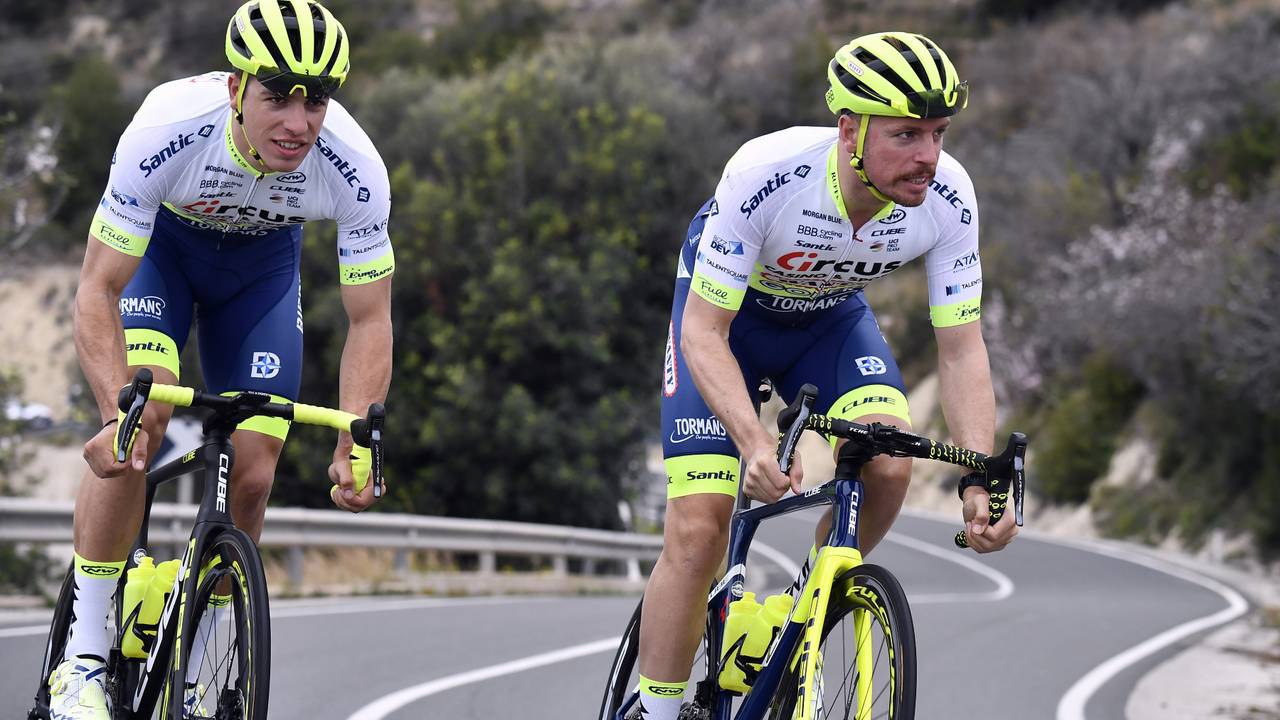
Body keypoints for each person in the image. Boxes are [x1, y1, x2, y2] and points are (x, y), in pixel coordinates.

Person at [638, 31, 1019, 718]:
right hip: (727, 325)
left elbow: (962, 350)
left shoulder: (950, 199)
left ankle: (791, 621)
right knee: (701, 528)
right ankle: (659, 710)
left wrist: (979, 474)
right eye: (906, 135)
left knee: (890, 464)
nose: (928, 156)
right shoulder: (767, 174)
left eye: (937, 133)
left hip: (828, 325)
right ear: (850, 130)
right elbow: (702, 331)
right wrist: (754, 441)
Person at [48, 1, 394, 717]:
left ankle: (204, 653)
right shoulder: (167, 127)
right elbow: (97, 288)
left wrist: (355, 438)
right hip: (161, 264)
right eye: (277, 96)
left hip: (261, 280)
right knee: (140, 428)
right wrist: (118, 401)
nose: (299, 123)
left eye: (317, 100)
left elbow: (370, 320)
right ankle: (81, 660)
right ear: (236, 88)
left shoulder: (355, 168)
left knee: (257, 468)